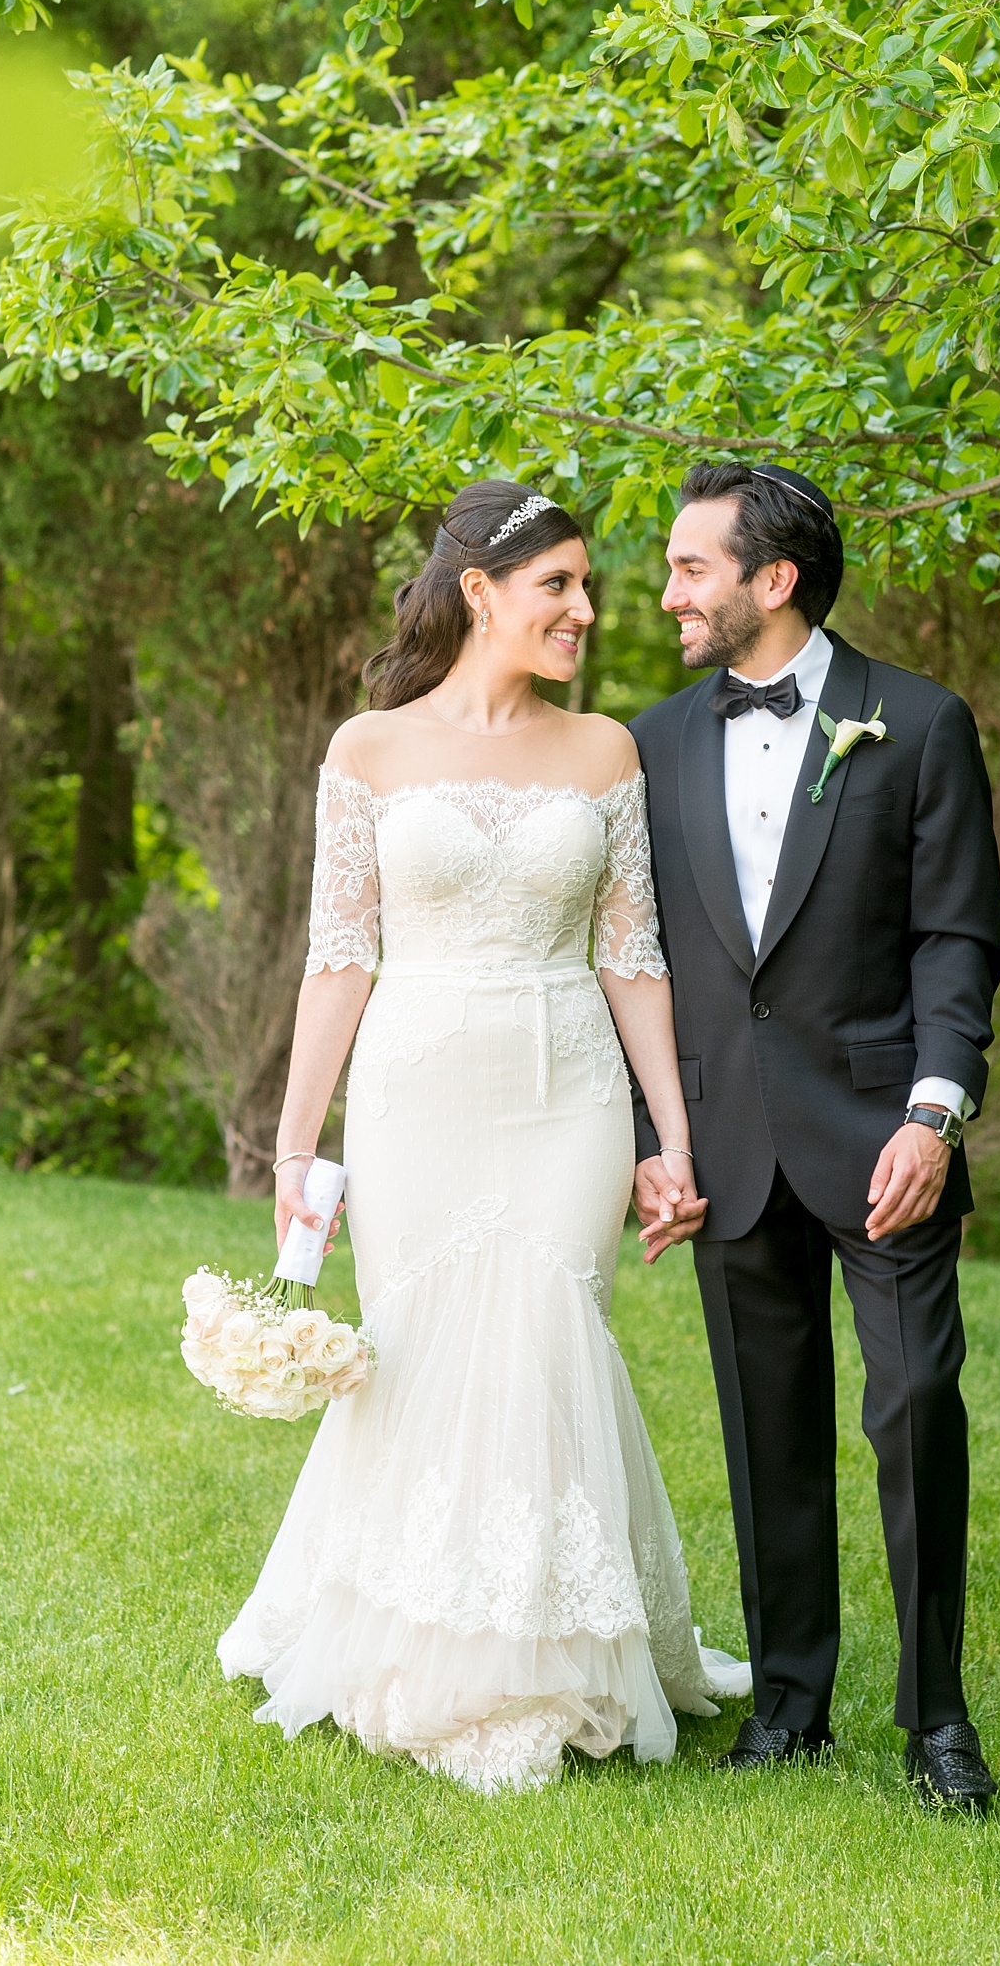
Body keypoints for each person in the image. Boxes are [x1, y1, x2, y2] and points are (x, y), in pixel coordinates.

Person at [218, 479, 747, 1794]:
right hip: (417, 1092)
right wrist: (295, 1152)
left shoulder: (604, 753)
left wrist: (666, 1138)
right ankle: (411, 1643)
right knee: (421, 1348)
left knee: (551, 1332)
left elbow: (634, 960)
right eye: (556, 584)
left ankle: (552, 1656)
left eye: (587, 586)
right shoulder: (370, 751)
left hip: (565, 1087)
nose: (585, 608)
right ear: (479, 595)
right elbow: (338, 957)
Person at [628, 463, 1000, 1816]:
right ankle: (790, 1703)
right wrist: (649, 1140)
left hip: (885, 1138)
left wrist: (935, 1113)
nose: (666, 592)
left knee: (914, 1410)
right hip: (726, 1145)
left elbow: (957, 938)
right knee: (762, 1429)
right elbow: (634, 961)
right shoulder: (650, 742)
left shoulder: (917, 724)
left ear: (771, 581)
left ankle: (936, 1720)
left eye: (689, 568)